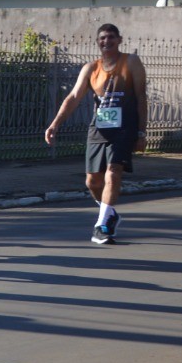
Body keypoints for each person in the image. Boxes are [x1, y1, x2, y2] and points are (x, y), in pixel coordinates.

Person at [44, 23, 148, 244]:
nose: (106, 41)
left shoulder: (131, 62)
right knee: (92, 182)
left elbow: (141, 97)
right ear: (98, 42)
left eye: (111, 37)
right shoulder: (91, 68)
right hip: (99, 128)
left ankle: (101, 227)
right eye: (102, 38)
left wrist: (141, 132)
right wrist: (54, 125)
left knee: (113, 172)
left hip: (124, 127)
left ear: (119, 40)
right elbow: (73, 97)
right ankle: (108, 212)